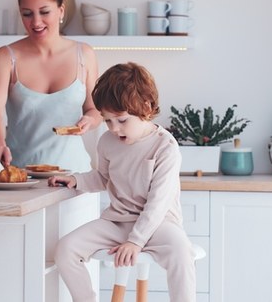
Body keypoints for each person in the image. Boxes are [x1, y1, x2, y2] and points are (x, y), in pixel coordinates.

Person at [48, 62, 196, 302]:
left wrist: (136, 242)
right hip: (117, 222)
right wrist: (76, 180)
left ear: (146, 107)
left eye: (122, 120)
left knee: (182, 252)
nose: (114, 129)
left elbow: (158, 204)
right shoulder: (107, 142)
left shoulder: (165, 147)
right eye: (107, 121)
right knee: (66, 249)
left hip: (159, 224)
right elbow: (103, 178)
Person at [0, 0, 101, 172]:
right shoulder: (6, 57)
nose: (36, 22)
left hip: (76, 177)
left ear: (61, 10)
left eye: (44, 12)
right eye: (27, 14)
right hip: (21, 176)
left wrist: (89, 120)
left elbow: (95, 109)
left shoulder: (85, 54)